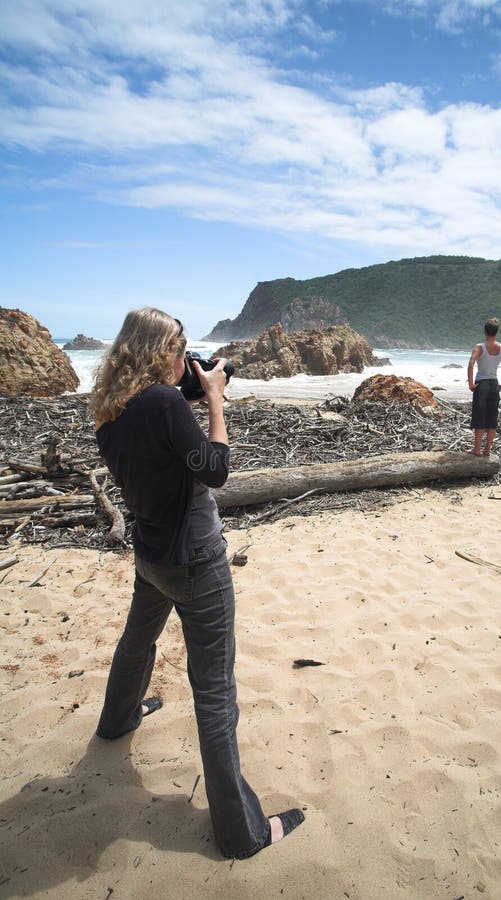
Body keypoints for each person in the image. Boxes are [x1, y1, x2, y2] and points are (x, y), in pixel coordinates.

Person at [89, 307, 304, 859]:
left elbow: (161, 447)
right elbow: (214, 468)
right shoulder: (164, 403)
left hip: (152, 555)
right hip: (196, 558)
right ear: (161, 349)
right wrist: (213, 397)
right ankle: (242, 832)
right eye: (180, 347)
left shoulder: (111, 410)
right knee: (214, 691)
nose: (186, 357)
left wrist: (190, 386)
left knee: (137, 642)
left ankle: (117, 720)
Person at [467, 317, 501, 456]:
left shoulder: (479, 347)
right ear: (496, 332)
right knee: (492, 419)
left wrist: (470, 383)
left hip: (482, 385)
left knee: (479, 418)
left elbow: (471, 364)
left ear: (485, 331)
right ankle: (487, 450)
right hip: (494, 385)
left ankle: (476, 449)